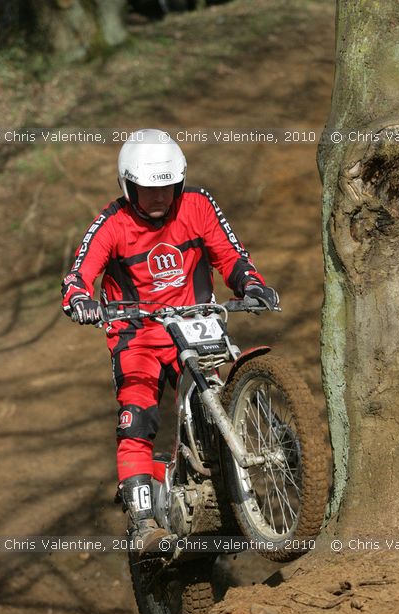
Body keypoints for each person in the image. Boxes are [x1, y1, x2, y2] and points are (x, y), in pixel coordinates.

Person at [61, 128, 279, 552]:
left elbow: (230, 254)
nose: (159, 198)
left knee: (213, 403)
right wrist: (80, 299)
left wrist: (251, 284)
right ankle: (143, 523)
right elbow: (78, 275)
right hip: (136, 334)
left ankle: (227, 494)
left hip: (193, 323)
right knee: (137, 417)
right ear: (128, 186)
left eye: (167, 187)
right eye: (147, 189)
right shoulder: (112, 223)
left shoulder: (197, 205)